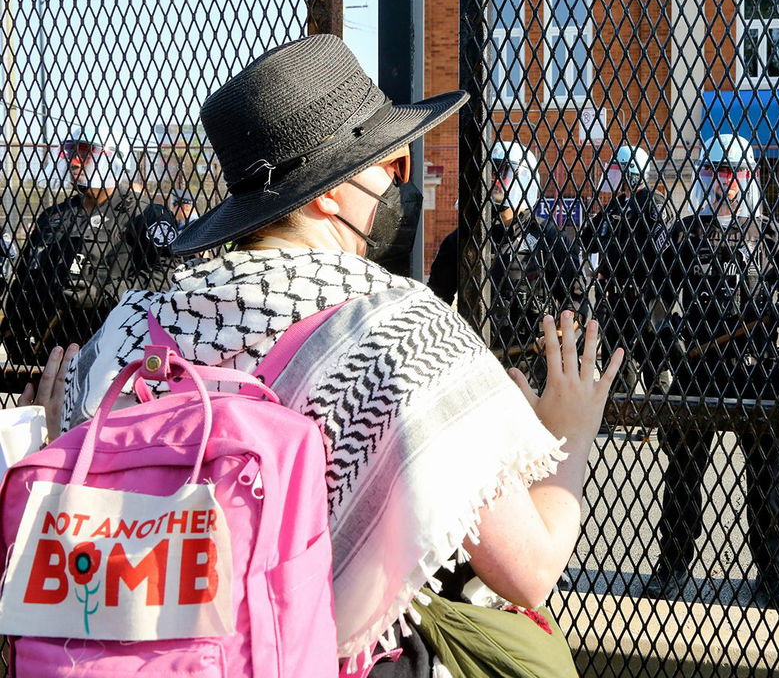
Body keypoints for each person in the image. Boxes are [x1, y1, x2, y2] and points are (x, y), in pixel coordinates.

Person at [58, 35, 622, 675]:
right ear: (329, 191)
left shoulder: (129, 333)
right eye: (389, 165)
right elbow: (530, 570)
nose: (393, 184)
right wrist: (570, 432)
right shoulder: (399, 329)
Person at [645, 133, 779, 610]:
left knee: (765, 474)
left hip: (754, 367)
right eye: (719, 171)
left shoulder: (773, 233)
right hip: (698, 367)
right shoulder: (682, 234)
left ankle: (771, 572)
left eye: (737, 172)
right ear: (705, 177)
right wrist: (668, 338)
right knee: (682, 472)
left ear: (751, 176)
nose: (728, 181)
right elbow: (657, 301)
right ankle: (673, 565)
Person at [0, 134, 180, 364]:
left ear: (114, 156)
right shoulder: (56, 216)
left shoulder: (144, 214)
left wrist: (105, 294)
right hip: (52, 351)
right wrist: (13, 326)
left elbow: (169, 271)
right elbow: (26, 273)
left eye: (85, 153)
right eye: (72, 152)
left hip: (114, 351)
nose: (74, 161)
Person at [577, 144, 676, 396]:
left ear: (632, 172)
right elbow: (587, 237)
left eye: (619, 172)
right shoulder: (615, 206)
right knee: (616, 355)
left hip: (645, 294)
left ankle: (660, 412)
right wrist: (597, 266)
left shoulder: (653, 203)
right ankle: (621, 411)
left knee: (651, 354)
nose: (615, 178)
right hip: (613, 294)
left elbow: (661, 251)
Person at [485, 140, 584, 387]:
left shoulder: (546, 236)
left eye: (503, 173)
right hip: (483, 361)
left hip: (532, 360)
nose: (496, 182)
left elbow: (575, 295)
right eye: (492, 173)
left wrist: (560, 333)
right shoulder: (470, 236)